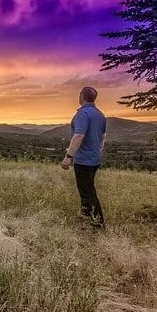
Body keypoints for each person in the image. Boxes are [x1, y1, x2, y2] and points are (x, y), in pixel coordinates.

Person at [61, 86, 107, 228]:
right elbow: (103, 137)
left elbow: (79, 135)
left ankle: (98, 223)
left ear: (81, 96)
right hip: (94, 158)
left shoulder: (82, 114)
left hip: (84, 159)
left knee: (87, 190)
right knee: (86, 188)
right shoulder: (100, 114)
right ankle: (86, 217)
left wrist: (69, 156)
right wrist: (99, 150)